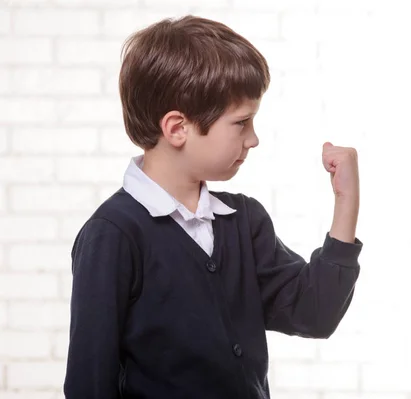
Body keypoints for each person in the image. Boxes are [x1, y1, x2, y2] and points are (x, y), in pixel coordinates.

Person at [63, 15, 363, 399]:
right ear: (177, 128)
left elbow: (315, 314)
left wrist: (346, 202)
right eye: (242, 123)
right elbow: (90, 384)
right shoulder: (114, 234)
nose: (253, 139)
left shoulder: (244, 221)